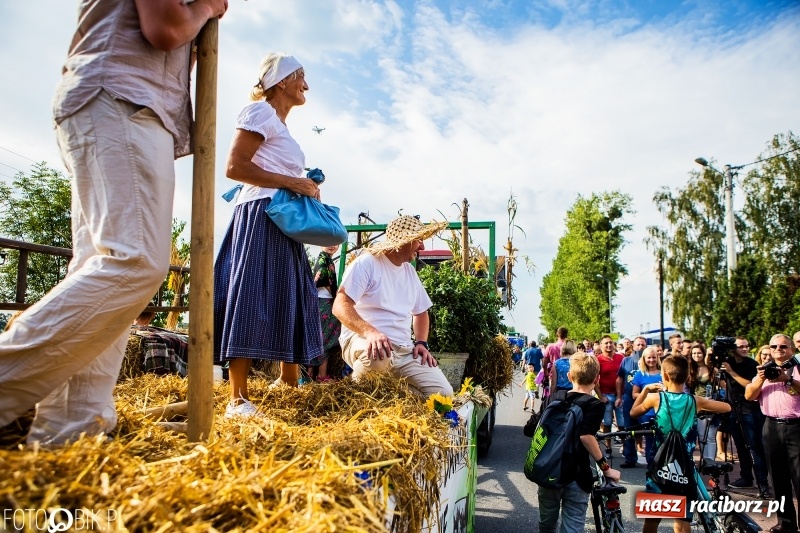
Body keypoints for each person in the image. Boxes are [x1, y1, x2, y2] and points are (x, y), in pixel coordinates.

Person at [0, 0, 229, 444]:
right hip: (122, 98)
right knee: (135, 261)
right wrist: (204, 7)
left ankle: (70, 432)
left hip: (119, 101)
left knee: (103, 265)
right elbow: (165, 27)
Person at [214, 53, 324, 418]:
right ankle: (237, 398)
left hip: (281, 216)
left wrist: (305, 185)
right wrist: (292, 181)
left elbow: (272, 167)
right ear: (280, 82)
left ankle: (288, 382)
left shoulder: (280, 125)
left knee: (292, 292)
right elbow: (235, 167)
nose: (306, 85)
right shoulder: (260, 112)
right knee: (252, 294)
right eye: (301, 77)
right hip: (260, 212)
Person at [332, 215, 453, 398]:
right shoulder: (367, 263)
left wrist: (421, 343)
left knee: (443, 396)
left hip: (402, 349)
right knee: (378, 356)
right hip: (363, 341)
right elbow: (340, 305)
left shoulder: (410, 272)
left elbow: (421, 312)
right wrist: (370, 332)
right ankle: (353, 398)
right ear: (403, 241)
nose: (422, 247)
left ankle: (388, 396)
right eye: (419, 240)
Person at [632, 356, 731, 533]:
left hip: (659, 466)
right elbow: (727, 408)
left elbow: (633, 412)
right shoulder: (695, 401)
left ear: (665, 376)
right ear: (686, 378)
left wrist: (646, 389)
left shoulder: (655, 398)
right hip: (685, 468)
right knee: (682, 520)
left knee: (652, 520)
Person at [536, 352, 620, 533]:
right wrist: (606, 467)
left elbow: (530, 428)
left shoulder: (554, 397)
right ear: (597, 379)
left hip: (548, 471)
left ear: (569, 376)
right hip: (576, 475)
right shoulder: (594, 404)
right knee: (573, 524)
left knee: (547, 523)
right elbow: (586, 436)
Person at [745, 334, 800, 533]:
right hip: (771, 426)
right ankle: (786, 523)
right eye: (774, 346)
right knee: (777, 478)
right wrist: (760, 379)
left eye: (783, 346)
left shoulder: (797, 368)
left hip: (796, 427)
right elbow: (749, 395)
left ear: (791, 349)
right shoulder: (764, 371)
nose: (778, 349)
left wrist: (788, 379)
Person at [721, 336, 770, 495]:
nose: (745, 349)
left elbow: (750, 385)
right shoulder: (728, 361)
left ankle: (763, 484)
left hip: (750, 410)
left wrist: (731, 372)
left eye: (747, 346)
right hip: (734, 409)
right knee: (740, 447)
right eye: (741, 346)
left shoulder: (752, 364)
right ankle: (746, 477)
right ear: (733, 349)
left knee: (754, 447)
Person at [306, 244, 342, 383]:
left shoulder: (326, 259)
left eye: (335, 243)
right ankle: (321, 375)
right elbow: (323, 280)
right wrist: (336, 296)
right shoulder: (323, 260)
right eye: (328, 243)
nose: (332, 246)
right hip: (324, 303)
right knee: (325, 338)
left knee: (318, 337)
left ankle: (310, 374)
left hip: (318, 302)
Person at [616, 335, 646, 467]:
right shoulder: (626, 361)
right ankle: (630, 458)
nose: (640, 347)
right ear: (633, 346)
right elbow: (619, 379)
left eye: (643, 345)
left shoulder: (650, 360)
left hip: (646, 400)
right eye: (638, 345)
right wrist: (619, 396)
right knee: (629, 429)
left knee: (648, 428)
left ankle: (654, 458)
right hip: (629, 399)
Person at [631, 347, 663, 468]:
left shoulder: (663, 372)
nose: (651, 360)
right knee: (649, 439)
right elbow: (634, 394)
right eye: (649, 357)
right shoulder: (640, 374)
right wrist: (648, 393)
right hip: (647, 412)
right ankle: (651, 465)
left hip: (662, 411)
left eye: (654, 357)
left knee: (662, 438)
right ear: (644, 359)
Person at [688, 342, 719, 461]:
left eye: (699, 353)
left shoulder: (711, 369)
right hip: (696, 404)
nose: (696, 355)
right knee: (701, 435)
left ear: (704, 353)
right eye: (694, 353)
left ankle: (710, 460)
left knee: (710, 435)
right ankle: (705, 460)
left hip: (710, 402)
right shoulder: (690, 369)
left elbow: (723, 385)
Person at [594, 335, 624, 455]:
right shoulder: (598, 360)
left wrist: (621, 396)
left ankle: (625, 447)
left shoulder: (621, 358)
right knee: (607, 423)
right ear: (601, 346)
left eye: (610, 343)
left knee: (622, 424)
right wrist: (601, 397)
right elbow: (594, 380)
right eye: (606, 343)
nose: (608, 345)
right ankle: (608, 447)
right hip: (606, 395)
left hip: (619, 395)